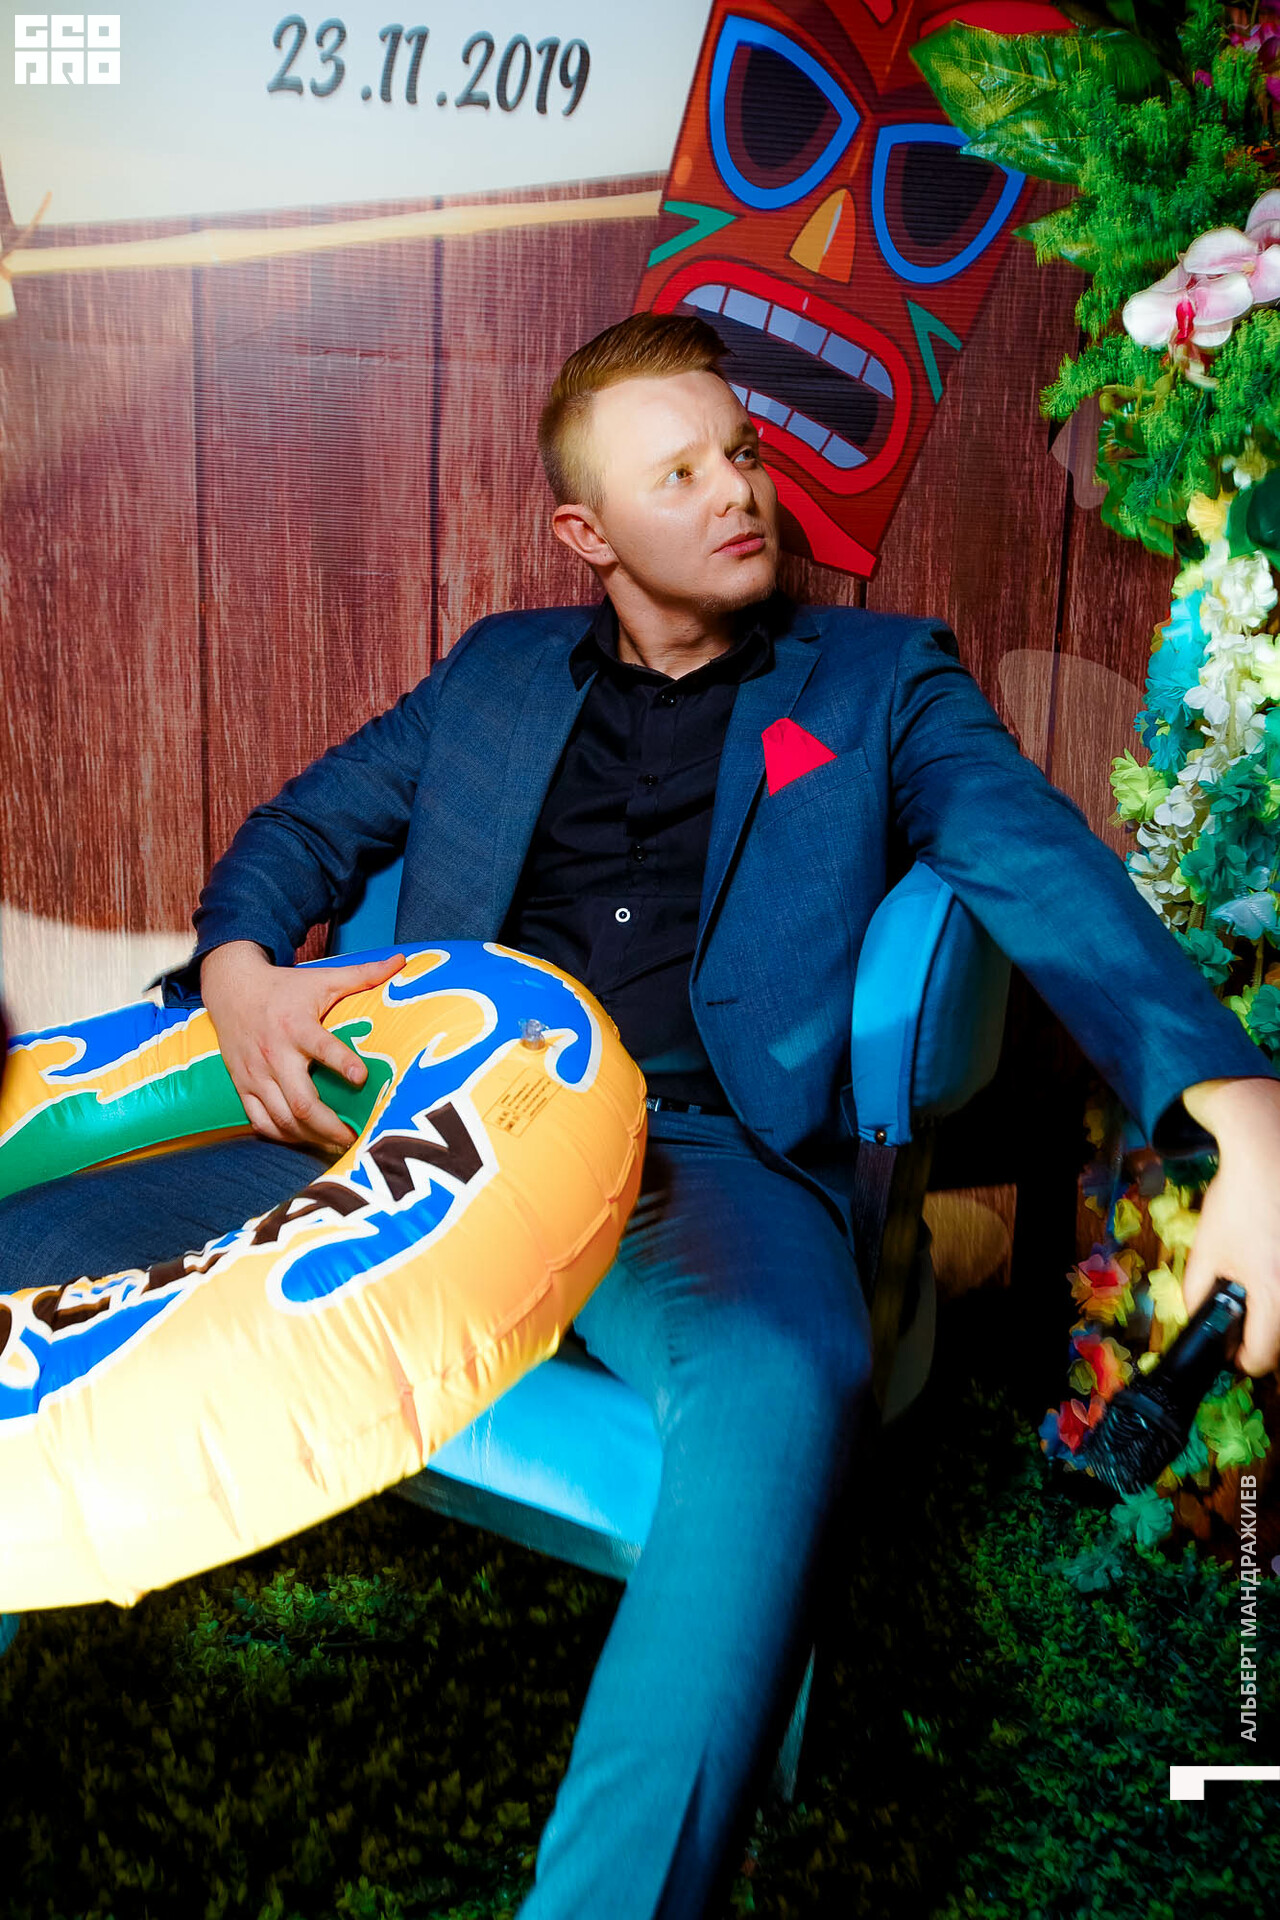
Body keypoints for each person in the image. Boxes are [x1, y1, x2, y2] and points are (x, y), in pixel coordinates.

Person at [3, 311, 1280, 1918]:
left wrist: (1238, 1106)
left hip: (700, 1163)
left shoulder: (880, 679)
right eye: (677, 474)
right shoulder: (493, 674)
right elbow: (302, 831)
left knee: (782, 1372)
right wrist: (245, 974)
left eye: (740, 453)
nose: (736, 489)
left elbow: (1040, 868)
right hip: (421, 1120)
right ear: (586, 535)